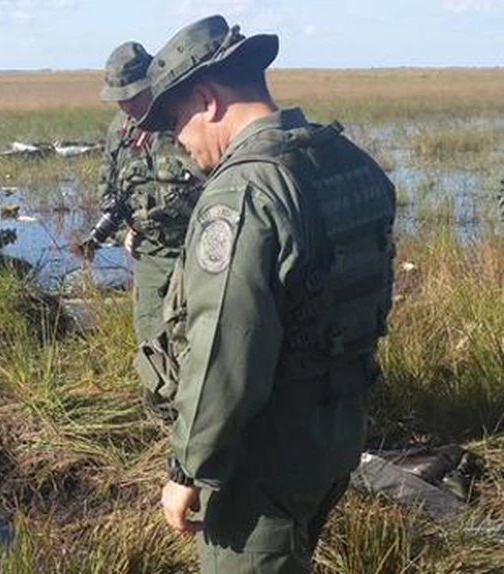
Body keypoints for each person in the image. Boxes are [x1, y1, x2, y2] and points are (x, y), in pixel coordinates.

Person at [138, 15, 396, 573]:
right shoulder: (349, 162)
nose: (179, 143)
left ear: (207, 101)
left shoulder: (244, 192)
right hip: (335, 433)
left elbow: (224, 352)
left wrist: (187, 469)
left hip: (262, 456)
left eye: (177, 120)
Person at [96, 41, 204, 418]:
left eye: (133, 95)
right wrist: (121, 228)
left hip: (198, 248)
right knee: (153, 337)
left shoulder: (183, 117)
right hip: (150, 255)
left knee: (201, 335)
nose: (126, 105)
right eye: (119, 99)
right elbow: (108, 190)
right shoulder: (120, 131)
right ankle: (165, 418)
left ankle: (202, 421)